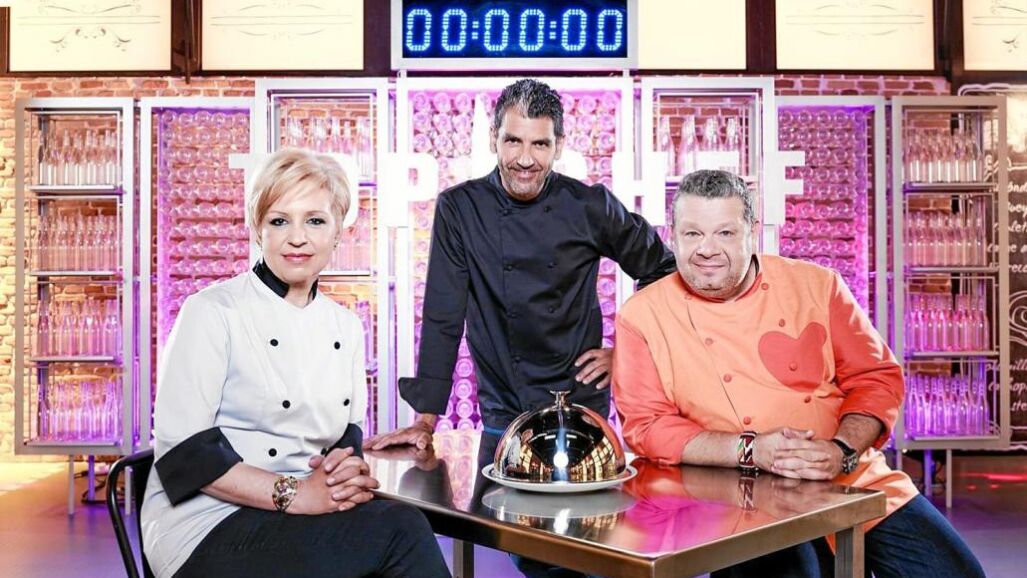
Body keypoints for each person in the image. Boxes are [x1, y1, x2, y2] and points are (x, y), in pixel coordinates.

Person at [366, 78, 676, 578]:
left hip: (578, 408)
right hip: (504, 405)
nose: (525, 159)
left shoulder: (590, 205)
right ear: (494, 139)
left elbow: (662, 268)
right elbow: (444, 314)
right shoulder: (460, 208)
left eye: (540, 144)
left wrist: (626, 353)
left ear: (559, 146)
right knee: (521, 543)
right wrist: (425, 420)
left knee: (586, 544)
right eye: (513, 141)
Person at [611, 169, 985, 578]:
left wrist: (840, 451)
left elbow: (875, 378)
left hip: (853, 476)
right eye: (692, 234)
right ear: (673, 235)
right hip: (738, 494)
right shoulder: (642, 315)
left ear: (752, 232)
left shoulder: (817, 285)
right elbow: (647, 425)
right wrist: (750, 450)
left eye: (725, 233)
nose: (707, 250)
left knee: (954, 573)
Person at [141, 148, 451, 578]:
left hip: (298, 519)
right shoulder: (212, 311)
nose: (298, 238)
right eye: (279, 221)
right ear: (257, 229)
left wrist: (344, 474)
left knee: (394, 526)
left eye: (315, 221)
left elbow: (345, 436)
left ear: (338, 232)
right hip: (206, 524)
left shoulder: (346, 326)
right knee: (401, 531)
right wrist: (298, 494)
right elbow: (185, 455)